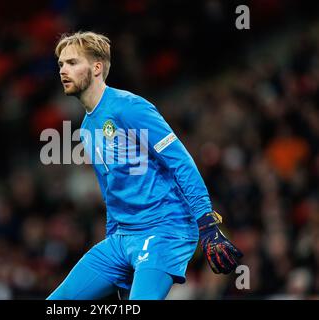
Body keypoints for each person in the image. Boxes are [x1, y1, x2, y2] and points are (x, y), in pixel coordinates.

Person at [47, 31, 243, 300]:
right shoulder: (86, 128)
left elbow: (181, 162)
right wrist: (115, 247)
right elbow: (111, 192)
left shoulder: (129, 107)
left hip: (164, 230)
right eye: (60, 64)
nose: (63, 71)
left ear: (96, 67)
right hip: (121, 238)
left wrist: (207, 223)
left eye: (71, 63)